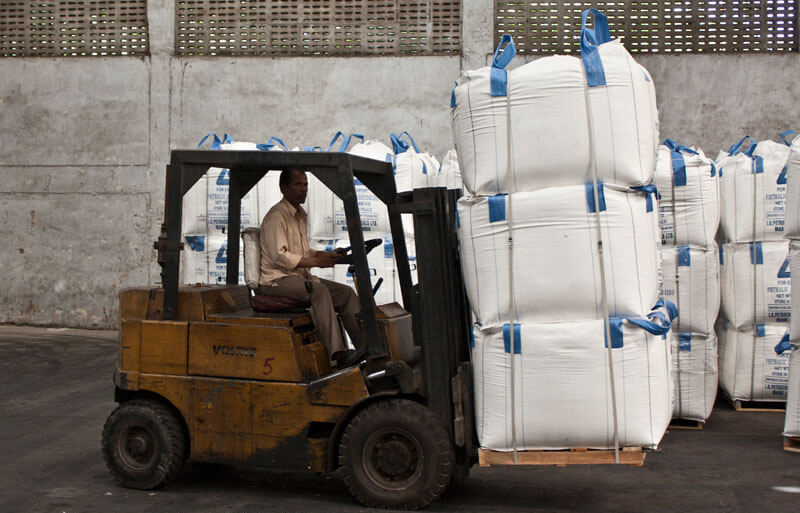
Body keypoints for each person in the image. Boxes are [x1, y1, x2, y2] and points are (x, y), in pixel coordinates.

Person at [258, 168, 366, 367]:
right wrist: (316, 263)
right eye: (297, 184)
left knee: (346, 293)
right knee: (319, 291)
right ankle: (338, 355)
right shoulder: (277, 216)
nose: (303, 189)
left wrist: (324, 255)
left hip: (297, 277)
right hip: (276, 280)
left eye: (305, 184)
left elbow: (303, 250)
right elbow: (279, 255)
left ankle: (366, 349)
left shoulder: (299, 215)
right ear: (283, 188)